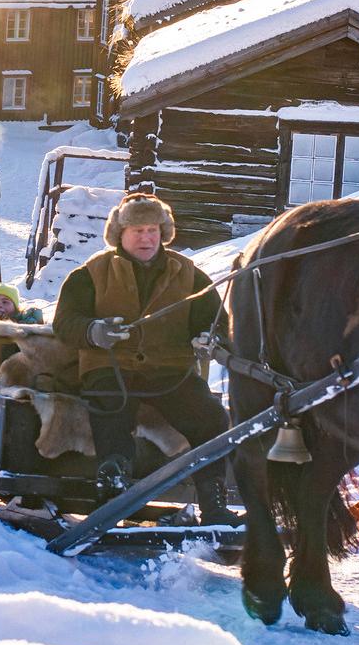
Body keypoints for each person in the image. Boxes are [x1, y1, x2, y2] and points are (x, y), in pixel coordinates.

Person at [52, 193, 232, 519]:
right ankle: (112, 491)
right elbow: (64, 322)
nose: (146, 237)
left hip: (171, 372)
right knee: (112, 410)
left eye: (152, 229)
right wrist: (93, 331)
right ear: (119, 234)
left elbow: (217, 319)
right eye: (137, 231)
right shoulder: (91, 273)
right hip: (109, 367)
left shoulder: (189, 274)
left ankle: (214, 501)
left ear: (163, 232)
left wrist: (213, 338)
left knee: (212, 418)